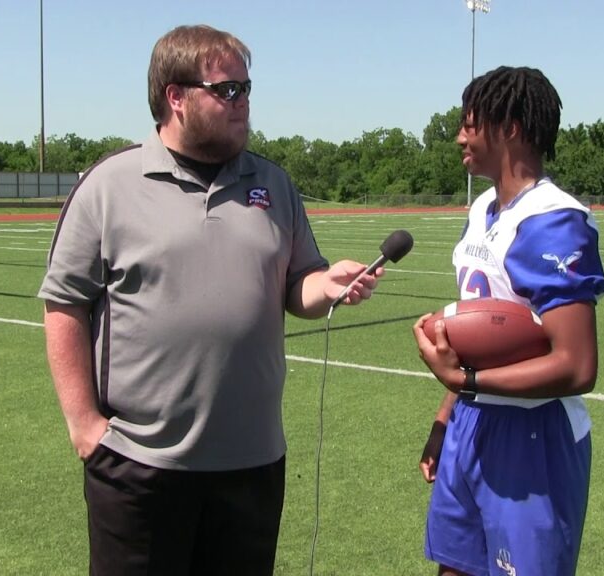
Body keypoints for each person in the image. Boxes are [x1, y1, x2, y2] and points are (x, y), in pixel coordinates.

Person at [38, 24, 382, 576]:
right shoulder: (109, 185)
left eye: (246, 88)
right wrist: (85, 426)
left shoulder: (273, 184)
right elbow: (64, 305)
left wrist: (329, 285)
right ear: (176, 96)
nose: (242, 102)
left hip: (252, 464)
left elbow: (300, 284)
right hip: (138, 464)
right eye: (227, 90)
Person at [412, 66, 604, 576]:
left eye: (470, 123)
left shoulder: (552, 219)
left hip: (533, 433)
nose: (459, 135)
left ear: (510, 128)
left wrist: (467, 380)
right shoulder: (481, 209)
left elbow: (577, 365)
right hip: (471, 423)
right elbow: (481, 339)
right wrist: (444, 416)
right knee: (454, 567)